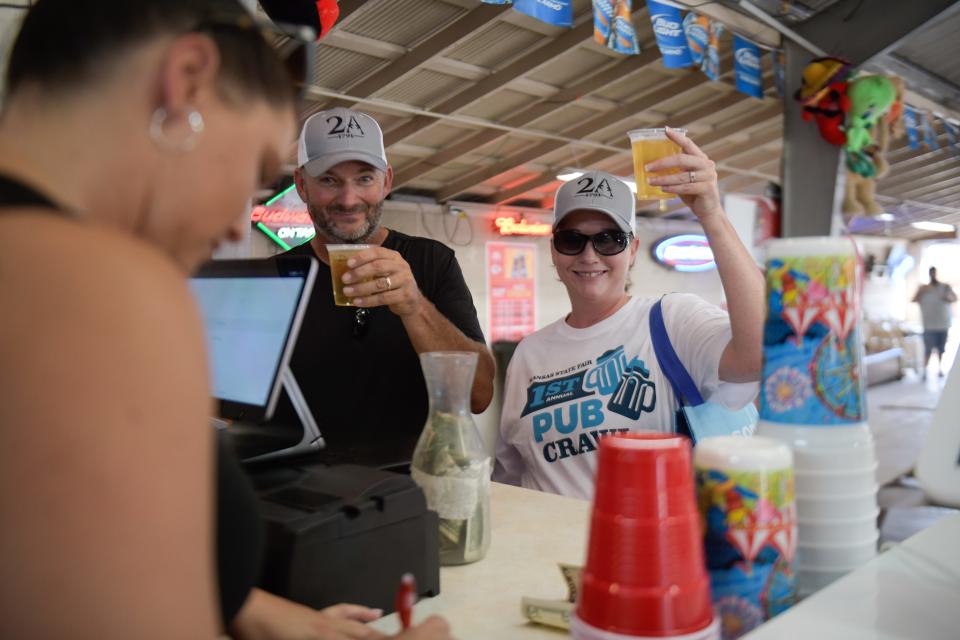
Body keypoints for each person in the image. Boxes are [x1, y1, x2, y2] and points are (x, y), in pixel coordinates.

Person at [0, 2, 450, 638]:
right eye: (256, 172)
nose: (241, 222)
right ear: (186, 80)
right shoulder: (94, 287)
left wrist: (282, 623)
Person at [494, 129, 765, 500]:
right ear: (554, 251)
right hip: (551, 551)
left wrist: (712, 214)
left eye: (609, 239)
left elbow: (759, 356)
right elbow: (513, 471)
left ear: (633, 249)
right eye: (572, 240)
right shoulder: (529, 353)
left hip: (647, 550)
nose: (589, 255)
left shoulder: (671, 319)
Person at [270, 107, 495, 459]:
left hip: (410, 492)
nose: (348, 199)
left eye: (364, 178)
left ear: (387, 181)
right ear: (301, 184)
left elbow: (479, 395)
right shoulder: (277, 277)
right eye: (329, 179)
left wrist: (414, 306)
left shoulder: (432, 263)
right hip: (304, 498)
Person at [912, 266, 957, 378]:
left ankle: (940, 369)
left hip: (943, 324)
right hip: (929, 325)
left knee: (941, 349)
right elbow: (913, 300)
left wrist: (947, 297)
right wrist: (921, 291)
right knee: (928, 350)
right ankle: (925, 372)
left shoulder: (945, 287)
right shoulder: (924, 289)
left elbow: (955, 298)